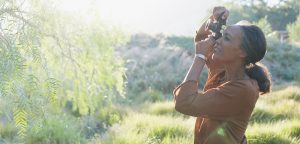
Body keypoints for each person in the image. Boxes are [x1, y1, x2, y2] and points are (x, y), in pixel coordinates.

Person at [173, 7, 272, 144]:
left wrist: (200, 57)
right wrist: (214, 20)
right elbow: (202, 39)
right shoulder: (226, 69)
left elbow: (184, 102)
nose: (217, 41)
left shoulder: (242, 90)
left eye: (227, 38)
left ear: (242, 52)